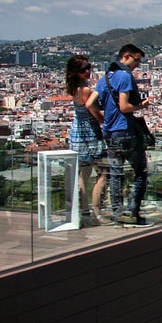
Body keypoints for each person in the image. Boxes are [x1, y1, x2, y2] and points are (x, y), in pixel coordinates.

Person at [95, 43, 153, 226]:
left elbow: (91, 103)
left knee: (115, 174)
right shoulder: (124, 76)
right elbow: (124, 106)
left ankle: (117, 213)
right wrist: (141, 106)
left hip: (109, 133)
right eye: (136, 60)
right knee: (140, 172)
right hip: (125, 132)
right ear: (126, 56)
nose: (137, 65)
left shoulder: (104, 77)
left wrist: (103, 120)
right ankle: (131, 213)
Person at [64, 55, 108, 226]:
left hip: (77, 132)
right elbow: (92, 109)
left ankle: (84, 211)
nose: (88, 71)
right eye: (83, 69)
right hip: (89, 133)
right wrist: (103, 121)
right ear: (75, 72)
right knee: (104, 172)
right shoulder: (86, 90)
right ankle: (96, 211)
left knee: (83, 175)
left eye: (89, 67)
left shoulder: (74, 88)